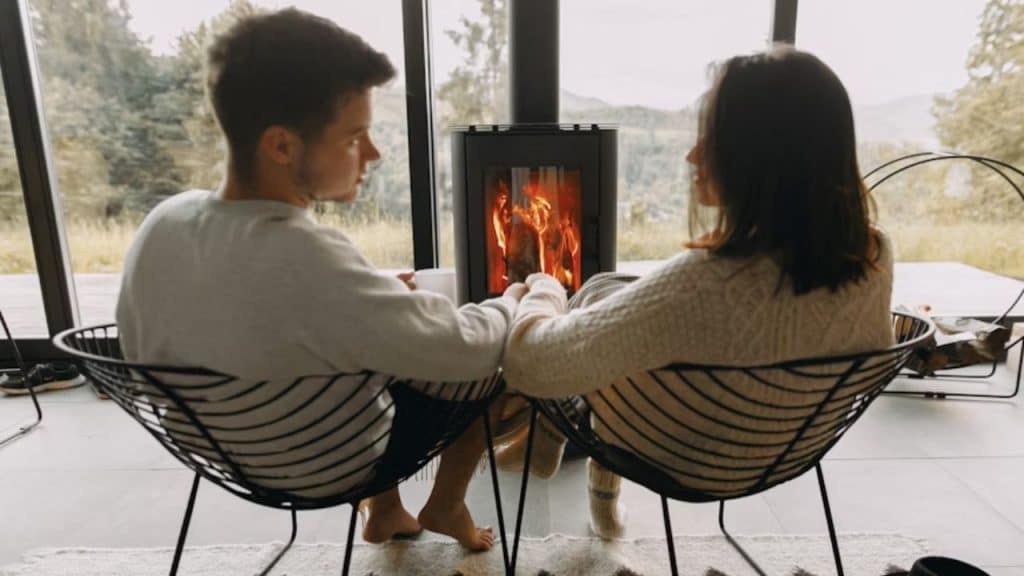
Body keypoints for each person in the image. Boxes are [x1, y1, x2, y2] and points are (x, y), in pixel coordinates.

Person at [116, 9, 525, 552]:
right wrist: (512, 303)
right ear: (282, 146)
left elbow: (272, 303)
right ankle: (446, 503)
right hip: (323, 462)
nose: (373, 154)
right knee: (503, 361)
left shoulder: (165, 220)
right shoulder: (303, 257)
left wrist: (377, 297)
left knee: (373, 335)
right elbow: (469, 348)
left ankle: (387, 512)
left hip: (217, 452)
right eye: (355, 136)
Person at [501, 46, 894, 538]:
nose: (692, 155)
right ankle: (556, 452)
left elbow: (530, 363)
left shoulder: (706, 286)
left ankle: (549, 441)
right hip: (788, 447)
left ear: (761, 155)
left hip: (688, 453)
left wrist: (543, 289)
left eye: (712, 139)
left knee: (592, 302)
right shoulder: (873, 253)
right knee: (605, 287)